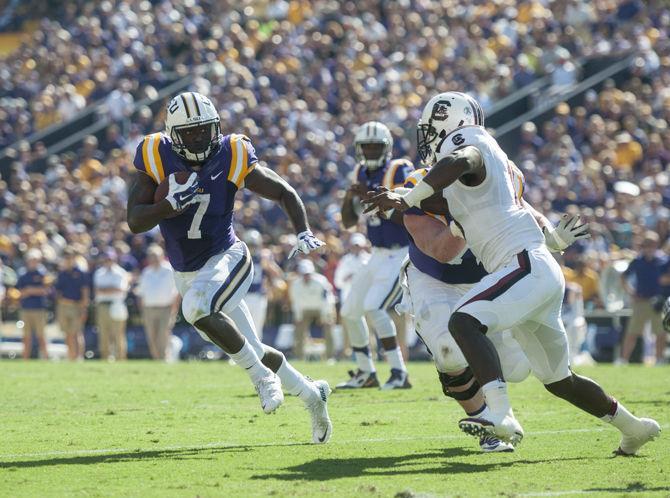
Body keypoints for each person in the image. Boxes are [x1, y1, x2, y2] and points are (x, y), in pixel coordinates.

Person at [364, 91, 660, 455]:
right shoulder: (497, 169)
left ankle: (500, 416)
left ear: (452, 122)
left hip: (522, 265)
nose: (428, 138)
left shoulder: (468, 140)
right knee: (560, 380)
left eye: (432, 129)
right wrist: (552, 238)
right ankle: (634, 428)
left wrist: (406, 198)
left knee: (463, 321)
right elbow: (504, 209)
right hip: (534, 269)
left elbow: (460, 159)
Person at [126, 91, 332, 443]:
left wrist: (302, 231)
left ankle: (262, 380)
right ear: (173, 135)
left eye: (203, 130)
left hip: (228, 258)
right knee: (252, 347)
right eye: (188, 132)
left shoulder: (232, 152)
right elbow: (135, 221)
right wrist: (167, 206)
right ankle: (312, 396)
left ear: (216, 127)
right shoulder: (155, 155)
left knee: (196, 309)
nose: (197, 138)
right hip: (186, 272)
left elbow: (282, 191)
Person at [397, 165, 532, 452]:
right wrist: (466, 219)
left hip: (486, 278)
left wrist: (552, 236)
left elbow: (525, 211)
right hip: (435, 279)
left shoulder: (503, 176)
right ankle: (487, 423)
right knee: (448, 352)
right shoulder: (418, 185)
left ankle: (489, 399)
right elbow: (443, 253)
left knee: (518, 368)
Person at [338, 121, 414, 390]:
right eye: (365, 147)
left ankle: (399, 372)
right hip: (377, 254)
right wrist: (350, 198)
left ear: (386, 148)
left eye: (375, 147)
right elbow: (348, 222)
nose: (370, 151)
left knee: (374, 307)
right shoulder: (359, 172)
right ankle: (366, 372)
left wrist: (374, 201)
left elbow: (413, 214)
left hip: (402, 252)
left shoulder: (399, 170)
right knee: (349, 310)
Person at [618, 232, 667, 364]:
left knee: (660, 333)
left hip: (659, 302)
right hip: (641, 301)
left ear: (656, 245)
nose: (649, 247)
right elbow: (623, 277)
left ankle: (659, 360)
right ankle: (623, 360)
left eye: (651, 244)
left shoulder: (664, 261)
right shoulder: (637, 261)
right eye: (646, 244)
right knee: (632, 332)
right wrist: (631, 292)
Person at [136, 244, 179, 360]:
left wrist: (174, 309)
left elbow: (176, 292)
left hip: (166, 308)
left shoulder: (169, 270)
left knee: (163, 335)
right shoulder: (146, 272)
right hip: (149, 309)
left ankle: (164, 357)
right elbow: (140, 293)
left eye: (155, 256)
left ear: (161, 256)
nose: (153, 259)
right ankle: (156, 358)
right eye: (151, 256)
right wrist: (143, 310)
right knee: (151, 336)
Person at [288, 259, 336, 360]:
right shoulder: (295, 284)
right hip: (305, 309)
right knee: (298, 329)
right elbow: (295, 302)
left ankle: (330, 357)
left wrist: (324, 316)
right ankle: (299, 356)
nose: (306, 276)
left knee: (328, 326)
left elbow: (327, 300)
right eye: (304, 274)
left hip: (322, 308)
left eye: (308, 274)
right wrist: (298, 317)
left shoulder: (321, 281)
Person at [93, 249, 130, 361]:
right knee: (103, 333)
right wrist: (111, 288)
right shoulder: (99, 272)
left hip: (116, 305)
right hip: (102, 305)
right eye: (106, 259)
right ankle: (105, 357)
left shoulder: (121, 272)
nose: (108, 261)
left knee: (118, 334)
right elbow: (97, 290)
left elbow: (120, 289)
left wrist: (105, 289)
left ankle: (120, 358)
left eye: (110, 259)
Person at [55, 248, 90, 360]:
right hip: (64, 306)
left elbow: (85, 292)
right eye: (66, 258)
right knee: (67, 333)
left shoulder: (80, 273)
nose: (68, 260)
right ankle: (71, 356)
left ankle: (79, 357)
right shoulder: (62, 274)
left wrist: (84, 308)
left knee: (77, 333)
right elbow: (58, 291)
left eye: (70, 257)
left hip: (76, 305)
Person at [15, 249, 50, 360]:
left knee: (41, 336)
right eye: (31, 259)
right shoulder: (22, 274)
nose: (33, 262)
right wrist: (32, 290)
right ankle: (25, 359)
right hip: (26, 309)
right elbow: (19, 293)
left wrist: (30, 290)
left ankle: (45, 358)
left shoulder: (42, 273)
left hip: (39, 309)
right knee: (26, 336)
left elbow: (46, 290)